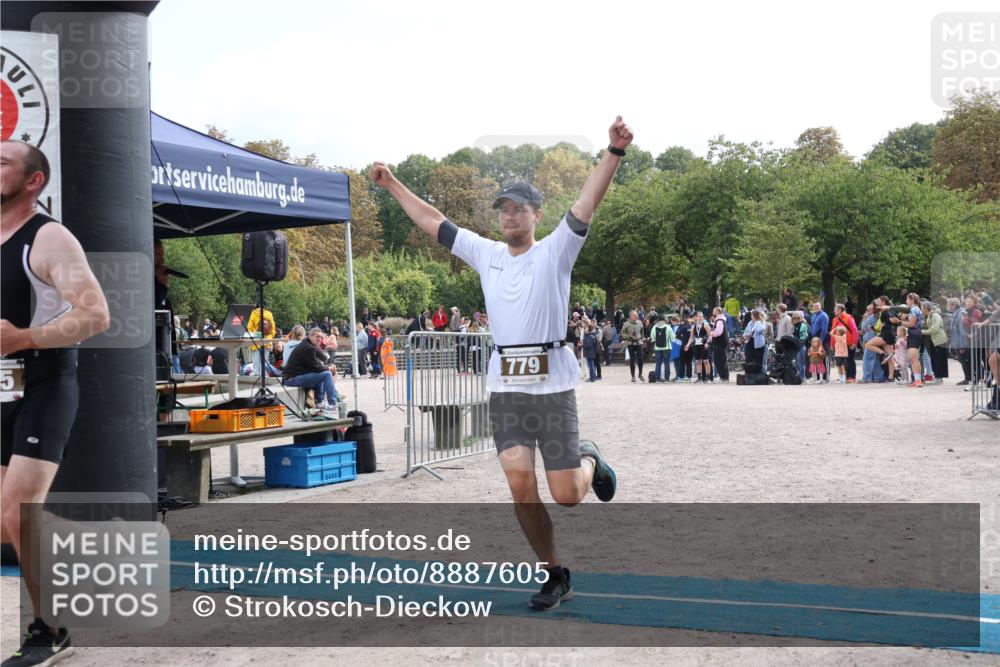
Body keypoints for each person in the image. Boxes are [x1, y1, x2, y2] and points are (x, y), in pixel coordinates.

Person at [369, 115, 629, 611]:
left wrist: (612, 152)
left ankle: (589, 458)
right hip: (506, 386)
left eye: (518, 209)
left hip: (551, 385)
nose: (509, 216)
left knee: (568, 495)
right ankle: (556, 573)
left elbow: (586, 203)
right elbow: (431, 220)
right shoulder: (484, 253)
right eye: (503, 210)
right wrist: (392, 183)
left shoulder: (557, 250)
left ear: (536, 213)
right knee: (518, 482)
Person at [1, 140, 111, 666]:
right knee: (11, 520)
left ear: (32, 181)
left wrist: (22, 338)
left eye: (1, 162)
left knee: (18, 512)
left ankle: (50, 628)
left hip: (43, 383)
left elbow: (95, 315)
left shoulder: (48, 238)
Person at [283, 328, 339, 410]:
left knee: (323, 372)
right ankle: (332, 403)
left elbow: (323, 357)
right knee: (326, 374)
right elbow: (316, 367)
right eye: (318, 337)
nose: (320, 339)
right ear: (310, 336)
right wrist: (329, 368)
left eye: (321, 337)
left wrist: (329, 366)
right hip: (292, 379)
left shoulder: (310, 344)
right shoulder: (307, 347)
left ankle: (320, 402)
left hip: (297, 376)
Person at [920, 301, 948, 385]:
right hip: (933, 341)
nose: (921, 310)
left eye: (922, 308)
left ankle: (939, 378)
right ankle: (937, 377)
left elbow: (934, 329)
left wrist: (921, 332)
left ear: (926, 308)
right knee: (934, 360)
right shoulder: (927, 316)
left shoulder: (935, 315)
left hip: (940, 341)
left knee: (939, 360)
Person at [831, 303, 859, 383]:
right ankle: (845, 376)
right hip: (839, 344)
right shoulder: (835, 319)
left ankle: (852, 377)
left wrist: (854, 343)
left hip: (849, 343)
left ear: (840, 310)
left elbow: (854, 330)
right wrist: (832, 343)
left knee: (850, 359)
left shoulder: (849, 317)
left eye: (835, 309)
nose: (834, 311)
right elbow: (833, 330)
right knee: (842, 361)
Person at [686, 311, 713, 383]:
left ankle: (708, 377)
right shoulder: (693, 326)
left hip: (704, 344)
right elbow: (691, 337)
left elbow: (710, 336)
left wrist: (707, 343)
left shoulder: (705, 325)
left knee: (706, 361)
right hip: (696, 344)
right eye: (699, 316)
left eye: (701, 316)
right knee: (698, 361)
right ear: (696, 317)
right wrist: (688, 345)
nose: (700, 317)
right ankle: (699, 377)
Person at [620, 310, 645, 383]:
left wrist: (642, 339)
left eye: (637, 315)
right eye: (635, 315)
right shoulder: (626, 324)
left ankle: (640, 374)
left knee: (640, 359)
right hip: (631, 343)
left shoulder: (640, 322)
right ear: (631, 316)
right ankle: (633, 376)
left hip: (639, 343)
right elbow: (622, 333)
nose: (636, 316)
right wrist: (628, 337)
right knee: (632, 360)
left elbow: (642, 331)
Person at [650, 314, 674, 383]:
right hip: (667, 348)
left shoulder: (654, 327)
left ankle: (657, 379)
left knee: (658, 363)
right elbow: (672, 338)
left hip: (657, 348)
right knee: (667, 364)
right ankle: (666, 379)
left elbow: (652, 339)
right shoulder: (668, 327)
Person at [709, 307, 729, 382]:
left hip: (720, 343)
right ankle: (723, 376)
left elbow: (719, 332)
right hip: (721, 343)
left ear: (717, 312)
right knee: (720, 359)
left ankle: (723, 377)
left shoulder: (719, 320)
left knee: (719, 360)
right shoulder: (721, 320)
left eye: (714, 311)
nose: (713, 312)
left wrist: (711, 333)